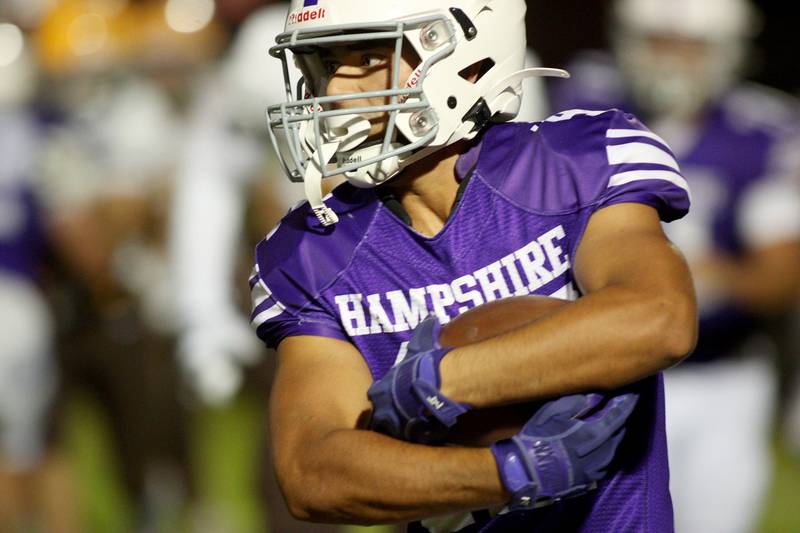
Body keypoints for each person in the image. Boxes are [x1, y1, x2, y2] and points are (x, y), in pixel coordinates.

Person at [249, 1, 697, 531]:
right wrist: (510, 474)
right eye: (325, 65)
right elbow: (311, 472)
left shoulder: (574, 163)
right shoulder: (314, 249)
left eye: (369, 57)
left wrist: (442, 380)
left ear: (467, 56)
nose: (336, 92)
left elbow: (659, 319)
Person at [552, 0, 800, 531]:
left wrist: (696, 284)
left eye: (691, 46)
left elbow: (780, 272)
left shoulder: (761, 129)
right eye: (659, 42)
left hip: (721, 375)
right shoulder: (581, 103)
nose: (673, 61)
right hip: (602, 373)